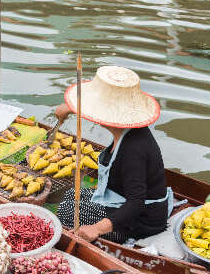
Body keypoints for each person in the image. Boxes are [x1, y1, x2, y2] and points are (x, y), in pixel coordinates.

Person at [55, 66, 174, 243]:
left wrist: (97, 228)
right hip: (121, 198)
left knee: (67, 209)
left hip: (141, 220)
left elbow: (136, 203)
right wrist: (70, 109)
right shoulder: (129, 130)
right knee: (72, 194)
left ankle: (116, 236)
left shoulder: (134, 149)